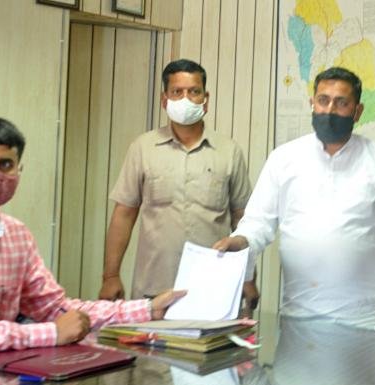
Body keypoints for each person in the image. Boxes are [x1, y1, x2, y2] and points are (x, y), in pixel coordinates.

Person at [0, 116, 186, 365]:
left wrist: (149, 308)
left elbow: (56, 309)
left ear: (18, 173)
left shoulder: (16, 235)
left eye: (4, 164)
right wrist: (48, 333)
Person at [214, 67, 375, 337]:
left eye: (341, 103)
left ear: (357, 111)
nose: (330, 110)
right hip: (298, 318)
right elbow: (258, 224)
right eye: (323, 100)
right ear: (312, 103)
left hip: (364, 321)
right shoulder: (284, 158)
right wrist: (239, 242)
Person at [99, 59, 257, 313]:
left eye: (194, 91)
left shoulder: (229, 152)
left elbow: (243, 220)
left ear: (205, 99)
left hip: (213, 290)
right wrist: (110, 276)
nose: (186, 99)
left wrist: (248, 276)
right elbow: (124, 214)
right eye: (177, 92)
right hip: (154, 288)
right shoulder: (143, 148)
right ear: (165, 100)